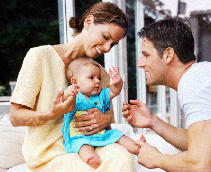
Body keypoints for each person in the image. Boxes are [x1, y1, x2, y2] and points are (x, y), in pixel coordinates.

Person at [9, 2, 136, 172]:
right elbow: (15, 117)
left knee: (123, 158)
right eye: (106, 37)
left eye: (112, 44)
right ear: (88, 22)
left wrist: (104, 120)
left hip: (93, 145)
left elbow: (108, 124)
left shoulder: (101, 75)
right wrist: (51, 114)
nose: (107, 48)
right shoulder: (40, 56)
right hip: (51, 154)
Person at [122, 18, 211, 172]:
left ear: (168, 54)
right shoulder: (203, 75)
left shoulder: (195, 82)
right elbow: (206, 144)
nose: (140, 63)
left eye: (146, 55)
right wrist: (153, 121)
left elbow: (201, 164)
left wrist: (155, 158)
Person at [62, 58, 146, 169]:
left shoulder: (100, 95)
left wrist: (117, 83)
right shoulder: (74, 96)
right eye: (91, 78)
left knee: (117, 135)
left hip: (102, 133)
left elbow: (113, 91)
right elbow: (62, 103)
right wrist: (67, 93)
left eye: (99, 78)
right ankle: (91, 158)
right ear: (75, 82)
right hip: (80, 136)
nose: (97, 81)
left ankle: (137, 147)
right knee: (83, 147)